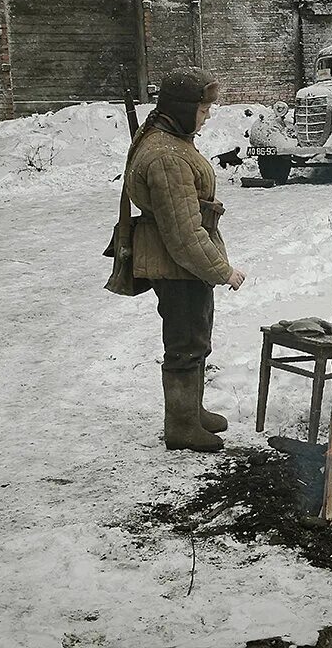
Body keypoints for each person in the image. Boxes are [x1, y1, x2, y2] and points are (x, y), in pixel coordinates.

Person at [126, 67, 247, 453]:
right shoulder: (167, 156)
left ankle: (192, 410)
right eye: (203, 107)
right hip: (177, 266)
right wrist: (223, 271)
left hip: (179, 264)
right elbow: (183, 234)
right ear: (182, 108)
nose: (208, 114)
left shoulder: (169, 139)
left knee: (195, 336)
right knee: (184, 343)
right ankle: (181, 426)